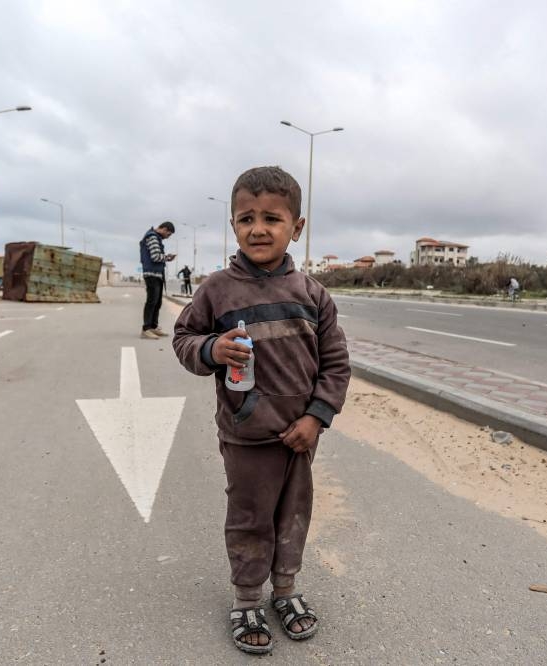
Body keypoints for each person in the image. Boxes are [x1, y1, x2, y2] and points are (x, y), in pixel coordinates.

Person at [172, 166, 351, 655]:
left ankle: (286, 591)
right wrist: (211, 349)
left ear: (297, 227)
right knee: (250, 516)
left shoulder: (312, 295)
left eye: (271, 218)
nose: (257, 228)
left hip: (299, 436)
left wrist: (316, 418)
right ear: (233, 225)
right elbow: (183, 339)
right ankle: (248, 598)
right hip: (245, 435)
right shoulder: (216, 290)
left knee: (293, 515)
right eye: (245, 218)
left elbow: (335, 364)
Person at [139, 221, 176, 339]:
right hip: (152, 274)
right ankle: (146, 329)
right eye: (168, 234)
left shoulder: (155, 237)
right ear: (164, 229)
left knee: (157, 302)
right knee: (151, 301)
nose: (167, 237)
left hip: (157, 274)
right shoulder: (153, 237)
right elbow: (155, 257)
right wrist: (167, 257)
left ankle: (153, 327)